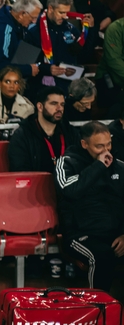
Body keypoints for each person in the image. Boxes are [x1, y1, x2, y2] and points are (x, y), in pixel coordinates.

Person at [55, 121, 124, 292]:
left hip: (115, 233)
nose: (106, 151)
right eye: (99, 146)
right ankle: (99, 309)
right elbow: (70, 190)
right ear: (84, 144)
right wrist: (98, 166)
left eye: (108, 144)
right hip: (81, 233)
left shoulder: (119, 166)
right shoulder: (67, 163)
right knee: (102, 256)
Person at [25, 0, 96, 95]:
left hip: (68, 88)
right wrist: (47, 69)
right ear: (50, 8)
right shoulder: (33, 31)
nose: (65, 16)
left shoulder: (71, 29)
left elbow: (84, 55)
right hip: (42, 89)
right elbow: (24, 64)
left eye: (67, 12)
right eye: (61, 12)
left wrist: (90, 29)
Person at [8, 86, 80, 174]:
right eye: (54, 103)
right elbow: (20, 171)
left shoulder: (71, 133)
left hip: (67, 186)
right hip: (36, 186)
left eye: (62, 104)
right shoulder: (22, 135)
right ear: (40, 107)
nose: (59, 108)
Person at [0, 66, 35, 134]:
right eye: (7, 82)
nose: (12, 86)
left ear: (19, 86)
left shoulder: (27, 106)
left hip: (17, 142)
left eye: (16, 82)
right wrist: (8, 122)